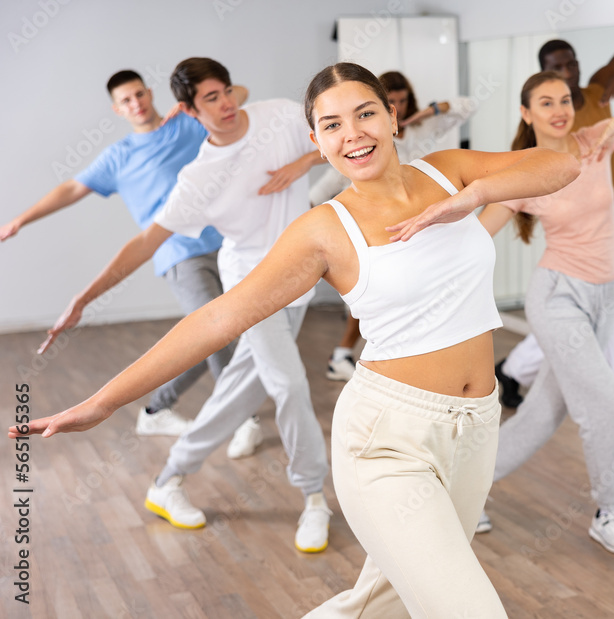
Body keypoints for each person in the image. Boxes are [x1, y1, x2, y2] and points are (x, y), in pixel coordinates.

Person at [12, 62, 580, 618]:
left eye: (365, 114)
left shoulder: (448, 171)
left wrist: (471, 196)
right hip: (388, 442)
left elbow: (560, 165)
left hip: (477, 427)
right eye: (332, 125)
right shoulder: (323, 229)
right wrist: (103, 402)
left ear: (394, 118)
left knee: (382, 602)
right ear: (317, 141)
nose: (353, 133)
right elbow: (218, 319)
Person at [34, 57, 336, 552]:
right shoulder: (199, 178)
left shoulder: (280, 114)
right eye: (209, 100)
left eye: (225, 92)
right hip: (252, 288)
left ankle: (167, 481)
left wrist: (304, 161)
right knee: (290, 384)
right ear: (190, 111)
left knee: (237, 392)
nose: (225, 106)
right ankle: (314, 498)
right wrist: (83, 298)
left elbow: (334, 145)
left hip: (299, 278)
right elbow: (145, 244)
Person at [476, 72, 614, 554]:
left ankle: (460, 488)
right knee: (605, 403)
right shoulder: (525, 172)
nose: (559, 109)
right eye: (545, 103)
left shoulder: (593, 142)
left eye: (565, 100)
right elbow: (477, 237)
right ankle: (608, 511)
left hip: (607, 297)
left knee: (542, 414)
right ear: (527, 114)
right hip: (559, 297)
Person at [0, 69, 248, 437]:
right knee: (216, 330)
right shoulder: (118, 157)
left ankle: (157, 408)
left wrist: (195, 105)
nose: (136, 104)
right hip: (176, 252)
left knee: (224, 335)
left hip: (227, 242)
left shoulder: (187, 124)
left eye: (139, 94)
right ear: (118, 110)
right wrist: (21, 219)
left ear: (149, 93)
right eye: (126, 101)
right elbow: (70, 189)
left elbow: (238, 94)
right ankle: (242, 418)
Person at [496, 34, 614, 429]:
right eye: (556, 69)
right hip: (570, 253)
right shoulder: (532, 160)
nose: (566, 74)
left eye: (571, 64)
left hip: (603, 221)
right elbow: (492, 210)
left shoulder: (596, 95)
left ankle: (514, 369)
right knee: (604, 319)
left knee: (579, 329)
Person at [309, 69, 481, 383]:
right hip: (385, 237)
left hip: (430, 227)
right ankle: (345, 354)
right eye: (334, 124)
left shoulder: (423, 130)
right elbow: (318, 194)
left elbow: (468, 105)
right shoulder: (358, 153)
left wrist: (428, 111)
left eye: (401, 103)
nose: (354, 132)